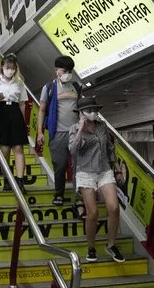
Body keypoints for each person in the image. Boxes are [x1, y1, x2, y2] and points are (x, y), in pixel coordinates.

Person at [68, 97, 124, 264]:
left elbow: (109, 147)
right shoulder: (74, 128)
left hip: (104, 170)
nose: (93, 113)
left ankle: (111, 244)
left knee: (113, 208)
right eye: (89, 110)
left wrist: (117, 168)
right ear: (81, 113)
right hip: (86, 173)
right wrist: (80, 130)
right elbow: (73, 149)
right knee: (92, 213)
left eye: (95, 110)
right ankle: (91, 247)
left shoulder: (102, 127)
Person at [36, 56, 82, 207]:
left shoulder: (77, 86)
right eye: (65, 70)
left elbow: (82, 109)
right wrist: (40, 132)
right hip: (57, 133)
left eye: (70, 70)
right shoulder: (49, 88)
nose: (68, 73)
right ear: (57, 71)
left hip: (76, 132)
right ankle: (59, 193)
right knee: (60, 165)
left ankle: (79, 197)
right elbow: (42, 110)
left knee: (78, 166)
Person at [0, 53, 28, 193]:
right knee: (4, 150)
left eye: (13, 68)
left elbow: (22, 103)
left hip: (15, 113)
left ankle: (20, 181)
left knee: (18, 148)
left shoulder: (19, 82)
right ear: (2, 66)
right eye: (7, 67)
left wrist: (23, 122)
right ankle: (7, 180)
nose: (10, 70)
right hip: (1, 112)